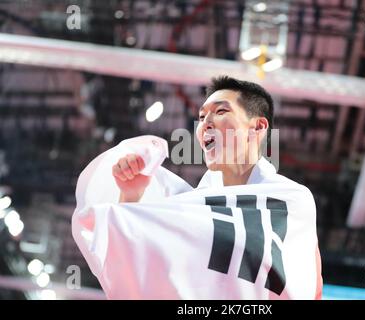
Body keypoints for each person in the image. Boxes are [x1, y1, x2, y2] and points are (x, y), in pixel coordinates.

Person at [73, 75, 322, 299]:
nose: (206, 123)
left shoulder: (292, 200)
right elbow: (144, 274)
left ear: (257, 127)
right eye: (202, 117)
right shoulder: (191, 210)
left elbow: (305, 285)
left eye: (221, 111)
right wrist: (131, 195)